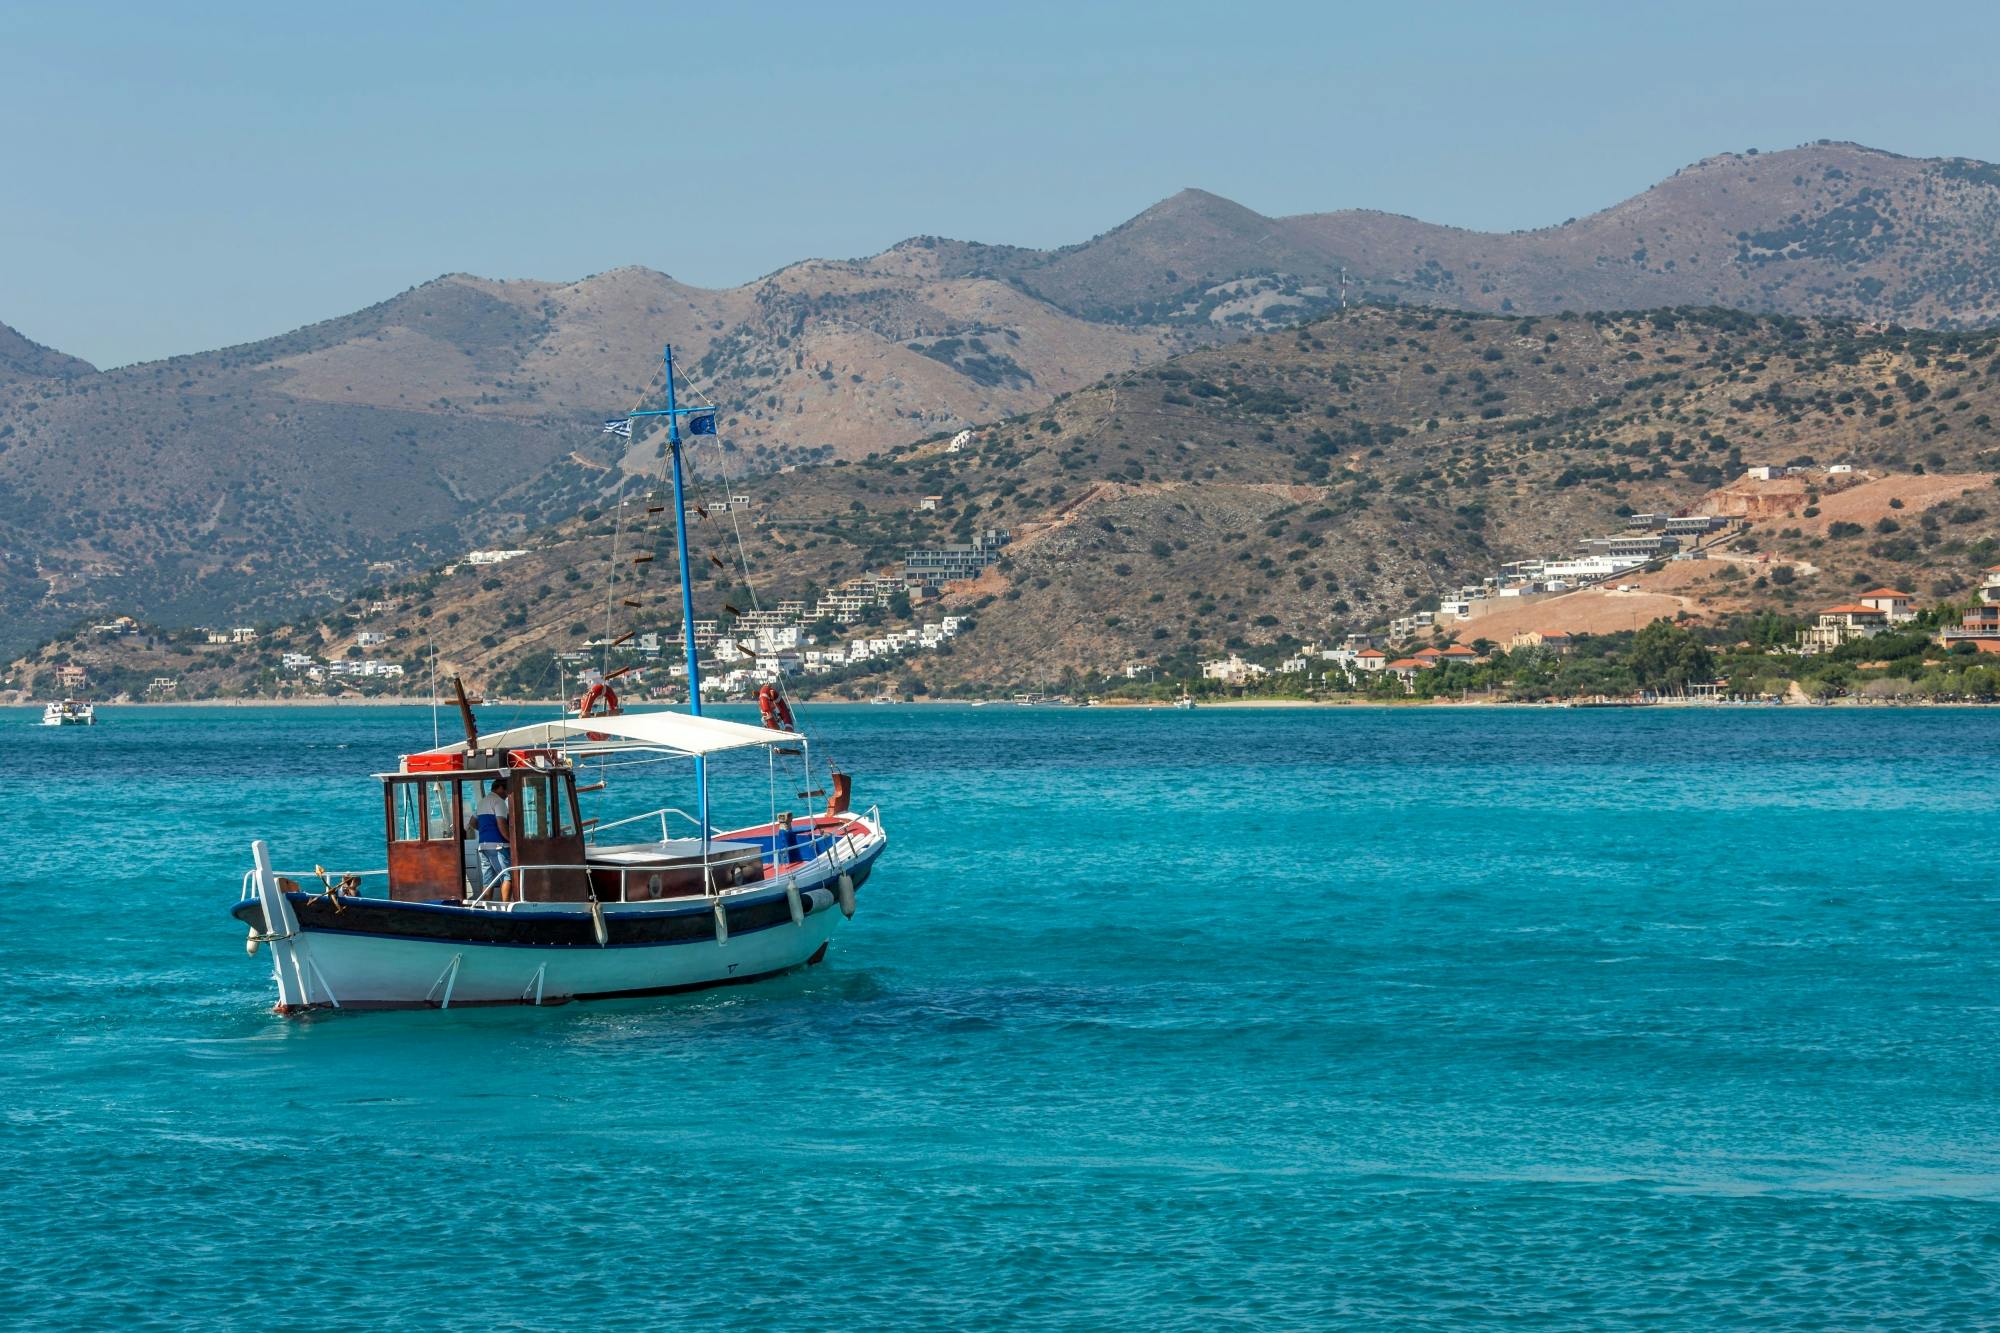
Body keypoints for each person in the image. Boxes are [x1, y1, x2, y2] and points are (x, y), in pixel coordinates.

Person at [469, 775, 514, 893]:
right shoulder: (499, 802)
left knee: (488, 879)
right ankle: (506, 908)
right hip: (499, 846)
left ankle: (487, 907)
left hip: (483, 846)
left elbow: (472, 823)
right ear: (499, 788)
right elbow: (502, 825)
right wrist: (512, 841)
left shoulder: (481, 802)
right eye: (506, 790)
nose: (507, 793)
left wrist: (485, 830)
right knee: (508, 876)